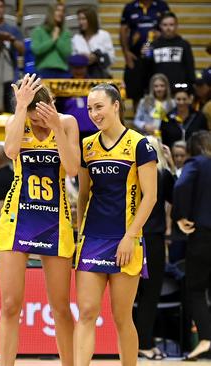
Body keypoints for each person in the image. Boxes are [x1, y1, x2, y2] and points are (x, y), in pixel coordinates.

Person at [0, 73, 80, 366]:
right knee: (9, 305)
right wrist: (20, 108)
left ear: (52, 104)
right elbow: (9, 151)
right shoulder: (17, 122)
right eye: (34, 115)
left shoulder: (67, 123)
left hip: (55, 219)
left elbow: (72, 169)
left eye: (43, 113)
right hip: (18, 216)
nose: (39, 120)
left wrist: (56, 126)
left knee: (60, 306)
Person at [75, 83, 158, 366]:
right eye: (89, 109)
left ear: (115, 106)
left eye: (99, 107)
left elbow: (151, 196)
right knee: (86, 312)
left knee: (122, 317)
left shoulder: (139, 144)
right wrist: (78, 234)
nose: (94, 113)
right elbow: (83, 195)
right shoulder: (87, 146)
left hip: (126, 239)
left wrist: (130, 236)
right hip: (92, 239)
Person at [133, 136, 174, 360]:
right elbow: (176, 198)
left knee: (129, 296)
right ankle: (145, 343)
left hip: (129, 237)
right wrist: (172, 164)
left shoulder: (131, 174)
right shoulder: (163, 175)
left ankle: (133, 342)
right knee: (150, 294)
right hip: (152, 240)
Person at [172, 131, 211, 361]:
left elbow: (181, 186)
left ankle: (205, 338)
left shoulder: (196, 163)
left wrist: (179, 216)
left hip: (203, 234)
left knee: (195, 289)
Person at [120, 0, 170, 109]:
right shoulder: (130, 7)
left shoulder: (161, 6)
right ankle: (139, 122)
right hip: (135, 58)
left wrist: (160, 34)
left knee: (158, 90)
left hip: (157, 58)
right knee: (136, 93)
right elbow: (123, 30)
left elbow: (168, 25)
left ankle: (159, 121)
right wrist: (126, 53)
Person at [151, 12, 196, 92]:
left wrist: (190, 89)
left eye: (171, 25)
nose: (168, 28)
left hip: (179, 91)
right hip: (159, 91)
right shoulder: (153, 45)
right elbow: (148, 70)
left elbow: (190, 69)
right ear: (160, 26)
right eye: (165, 25)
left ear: (176, 26)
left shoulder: (184, 45)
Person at [30, 3, 72, 79]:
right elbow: (36, 50)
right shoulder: (38, 31)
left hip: (62, 71)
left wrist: (57, 39)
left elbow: (67, 53)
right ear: (51, 13)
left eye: (62, 11)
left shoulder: (66, 33)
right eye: (58, 10)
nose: (61, 13)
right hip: (44, 70)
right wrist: (52, 40)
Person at [71, 6, 115, 79]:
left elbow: (111, 58)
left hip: (101, 77)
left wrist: (96, 57)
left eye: (83, 19)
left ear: (91, 19)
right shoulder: (76, 38)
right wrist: (81, 58)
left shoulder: (104, 35)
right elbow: (72, 59)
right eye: (79, 19)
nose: (80, 22)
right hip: (82, 79)